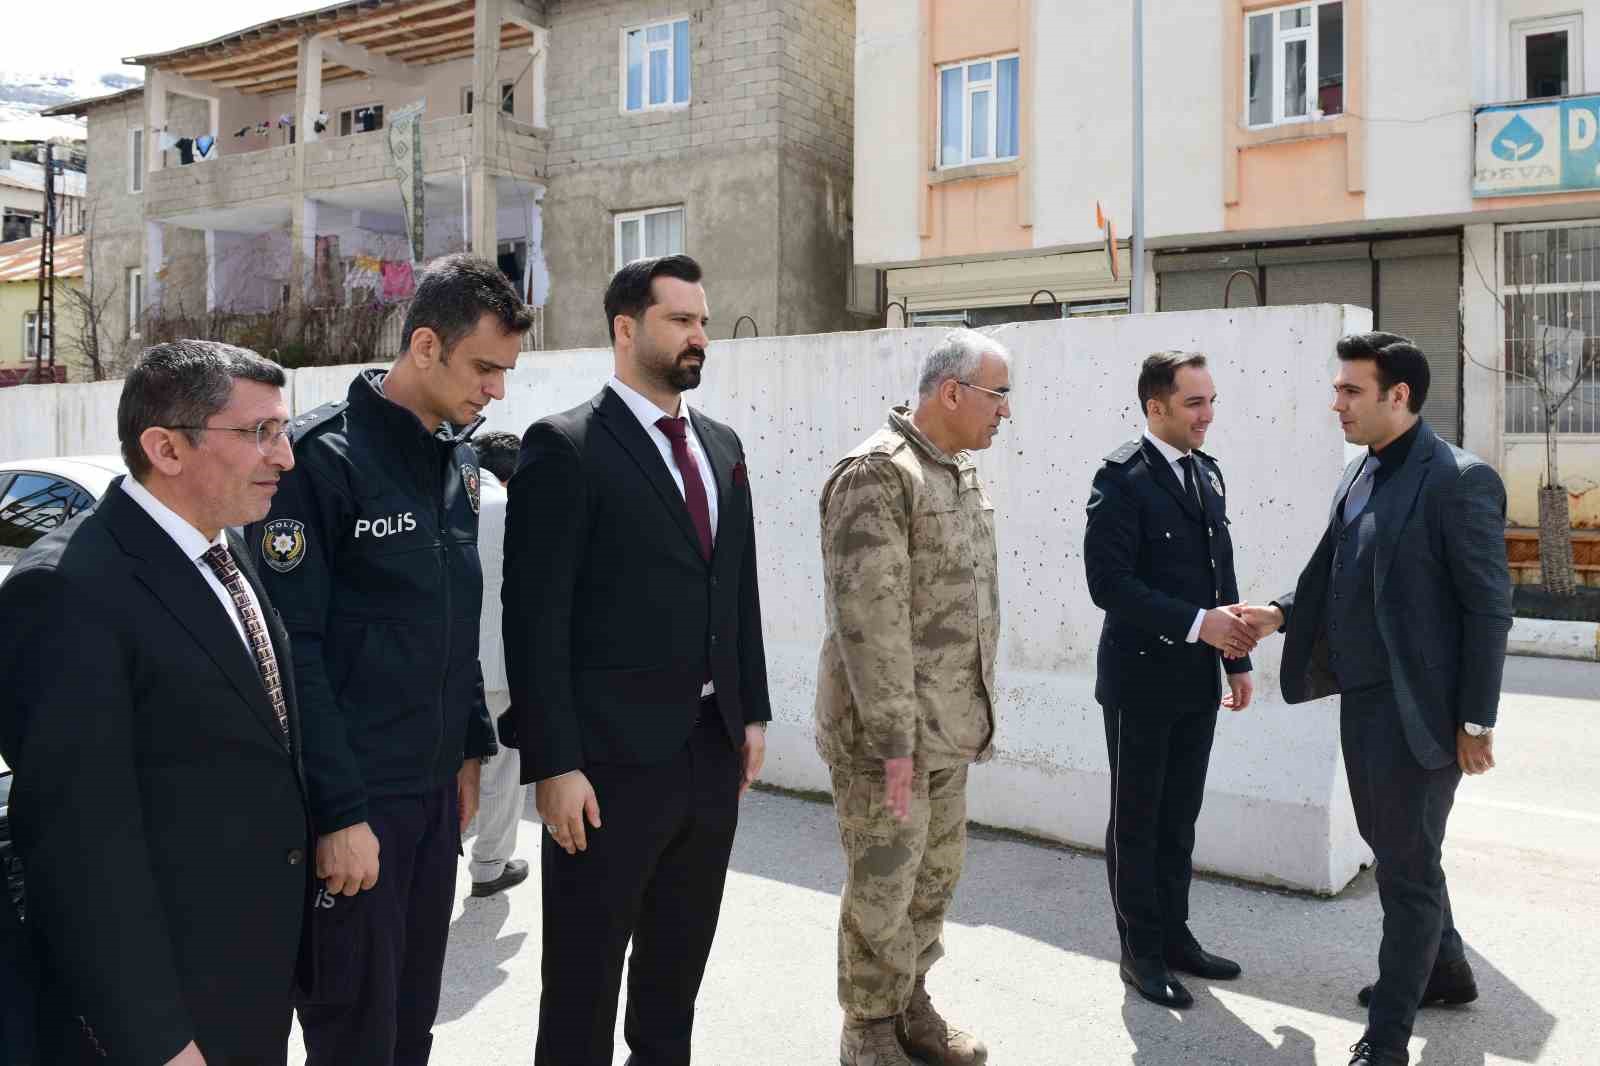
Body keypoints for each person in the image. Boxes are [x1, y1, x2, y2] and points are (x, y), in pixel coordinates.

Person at [247, 253, 531, 1066]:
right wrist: (338, 814)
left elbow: (455, 619)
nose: (496, 390)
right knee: (354, 1034)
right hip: (356, 803)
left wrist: (472, 748)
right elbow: (291, 653)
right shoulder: (319, 464)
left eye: (506, 372)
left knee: (412, 1026)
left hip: (433, 795)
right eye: (485, 368)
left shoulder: (459, 461)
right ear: (426, 347)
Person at [0, 340, 309, 1065]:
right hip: (168, 1015)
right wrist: (154, 1037)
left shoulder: (224, 553)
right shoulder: (68, 590)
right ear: (165, 448)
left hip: (250, 980)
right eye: (259, 433)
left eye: (283, 430)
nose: (285, 456)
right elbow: (78, 846)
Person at [504, 253, 772, 1066]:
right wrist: (555, 763)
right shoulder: (566, 445)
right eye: (680, 321)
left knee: (675, 977)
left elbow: (738, 587)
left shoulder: (720, 444)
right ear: (627, 329)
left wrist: (750, 708)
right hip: (607, 766)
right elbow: (534, 618)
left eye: (702, 320)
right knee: (584, 984)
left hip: (709, 748)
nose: (700, 337)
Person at [1234, 332, 1511, 1066]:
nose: (1337, 402)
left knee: (1407, 870)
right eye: (1337, 388)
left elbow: (1489, 610)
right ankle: (1446, 973)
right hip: (1364, 703)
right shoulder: (1360, 473)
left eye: (1351, 390)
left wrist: (1477, 720)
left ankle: (1385, 1041)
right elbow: (1333, 577)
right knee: (1402, 852)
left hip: (1421, 713)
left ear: (1400, 396)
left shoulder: (1459, 480)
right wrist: (1280, 613)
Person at [815, 328, 1009, 1066]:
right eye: (998, 397)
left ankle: (909, 1005)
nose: (1005, 414)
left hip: (949, 728)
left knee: (932, 881)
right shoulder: (878, 474)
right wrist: (895, 742)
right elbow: (870, 621)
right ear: (951, 392)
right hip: (886, 742)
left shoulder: (956, 472)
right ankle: (866, 1032)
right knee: (882, 889)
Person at [1082, 351, 1258, 1010]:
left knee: (1180, 817)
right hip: (1140, 678)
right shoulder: (1122, 478)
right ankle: (1141, 952)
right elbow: (1110, 585)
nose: (1207, 415)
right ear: (1156, 407)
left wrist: (1235, 657)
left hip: (1195, 679)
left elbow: (1221, 574)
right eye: (1194, 403)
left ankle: (1177, 937)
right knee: (1138, 820)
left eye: (1210, 400)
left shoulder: (1206, 474)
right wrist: (1196, 625)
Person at [466, 430, 530, 898]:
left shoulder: (446, 501)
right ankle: (490, 864)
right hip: (499, 665)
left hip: (445, 662)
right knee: (502, 767)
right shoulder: (511, 510)